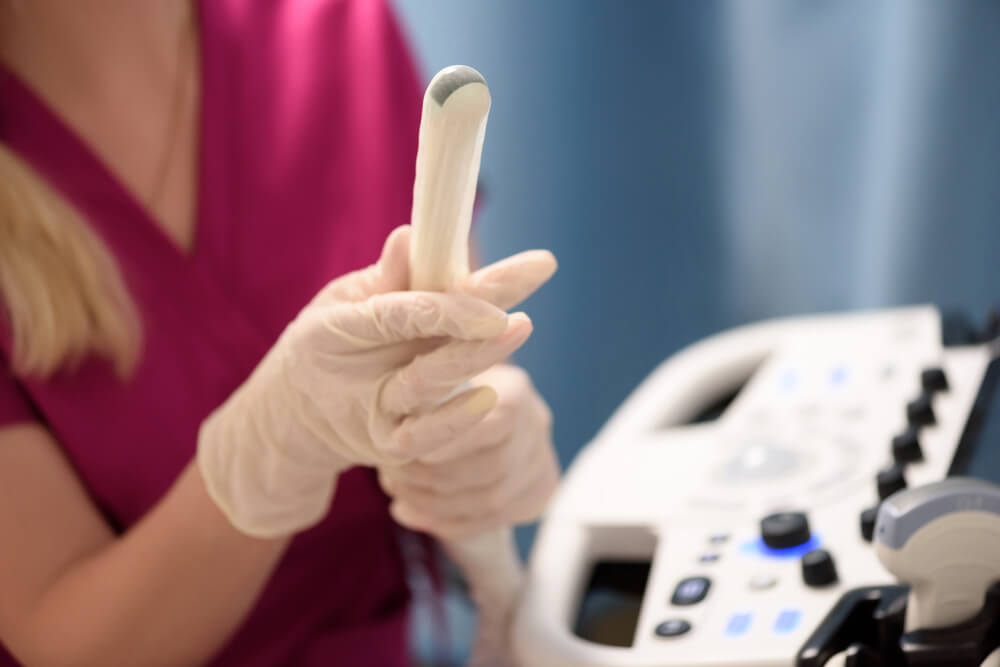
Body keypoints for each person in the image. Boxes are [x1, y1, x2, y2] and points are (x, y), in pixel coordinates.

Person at [0, 1, 559, 665]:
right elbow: (66, 639)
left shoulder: (336, 24)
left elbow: (443, 324)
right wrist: (272, 449)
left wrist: (484, 442)